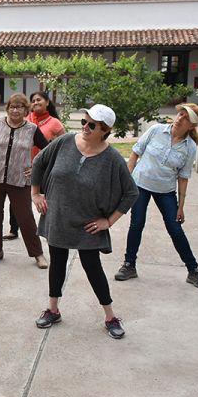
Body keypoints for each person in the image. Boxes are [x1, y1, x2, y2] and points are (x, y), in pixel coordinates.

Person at [31, 104, 138, 340]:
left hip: (88, 225)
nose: (86, 128)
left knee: (93, 268)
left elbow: (131, 193)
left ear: (105, 130)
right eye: (84, 122)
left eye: (92, 125)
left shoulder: (112, 159)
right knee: (57, 263)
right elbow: (38, 162)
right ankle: (53, 309)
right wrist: (36, 194)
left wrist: (108, 221)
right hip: (58, 217)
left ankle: (110, 317)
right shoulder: (65, 142)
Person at [115, 104, 198, 289]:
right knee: (137, 224)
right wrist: (127, 182)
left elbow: (183, 177)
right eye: (180, 114)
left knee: (175, 229)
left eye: (186, 117)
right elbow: (135, 153)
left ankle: (193, 270)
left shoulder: (190, 147)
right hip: (140, 184)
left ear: (192, 125)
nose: (180, 118)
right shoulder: (156, 130)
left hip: (166, 190)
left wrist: (181, 206)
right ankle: (129, 265)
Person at [0, 93, 49, 268]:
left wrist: (36, 167)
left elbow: (47, 150)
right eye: (12, 107)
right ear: (7, 108)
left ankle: (38, 254)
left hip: (19, 180)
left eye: (20, 107)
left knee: (26, 218)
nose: (15, 110)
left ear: (26, 110)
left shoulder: (32, 129)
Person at [5, 91, 67, 240]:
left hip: (45, 169)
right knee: (16, 200)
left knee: (47, 201)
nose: (36, 103)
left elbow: (64, 146)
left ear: (47, 102)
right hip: (23, 167)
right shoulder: (26, 119)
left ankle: (49, 229)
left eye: (39, 100)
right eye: (33, 100)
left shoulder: (55, 123)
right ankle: (14, 230)